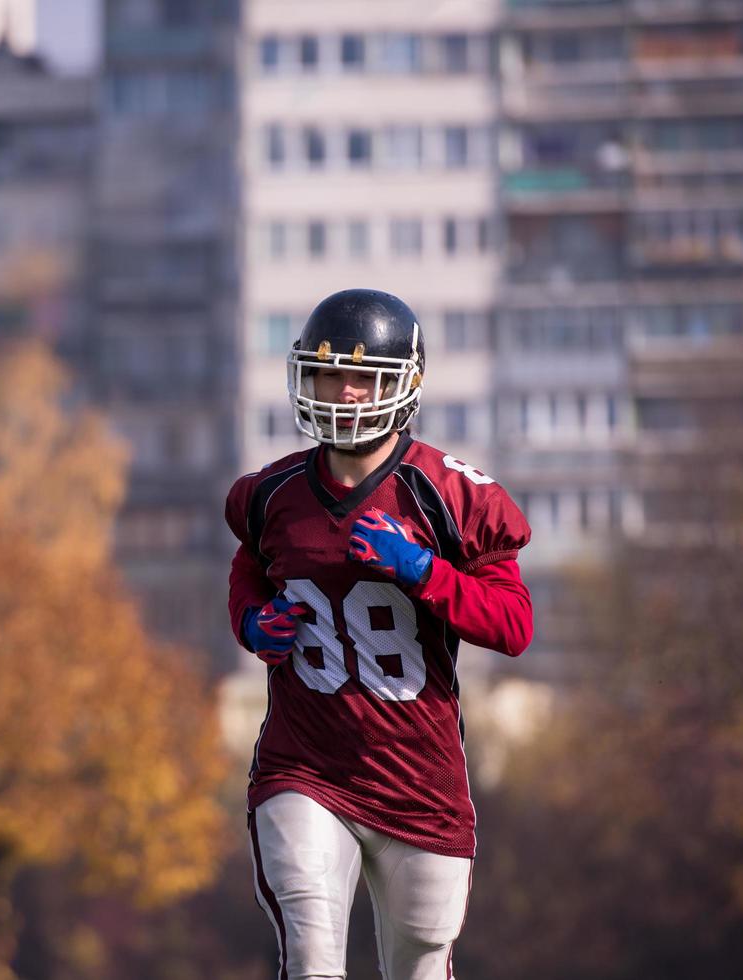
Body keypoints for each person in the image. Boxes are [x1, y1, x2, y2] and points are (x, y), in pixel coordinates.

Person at [225, 288, 533, 979]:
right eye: (329, 374)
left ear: (402, 384)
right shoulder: (269, 495)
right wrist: (249, 620)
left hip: (417, 780)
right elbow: (248, 564)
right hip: (303, 765)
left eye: (361, 377)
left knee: (420, 966)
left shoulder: (449, 498)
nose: (343, 392)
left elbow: (513, 626)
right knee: (309, 955)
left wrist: (424, 572)